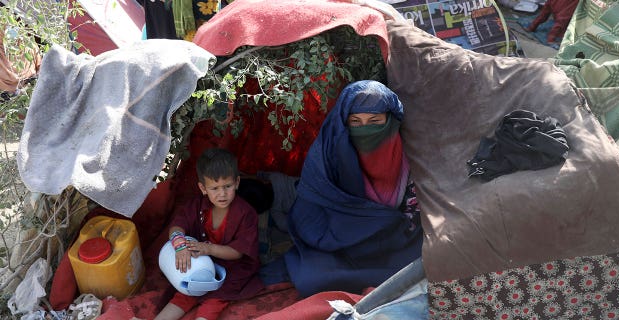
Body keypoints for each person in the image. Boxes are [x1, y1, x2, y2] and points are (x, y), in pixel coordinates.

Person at [284, 80, 423, 297]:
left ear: (391, 121)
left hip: (394, 242)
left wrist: (386, 231)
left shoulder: (411, 152)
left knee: (424, 264)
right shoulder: (329, 150)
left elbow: (414, 214)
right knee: (312, 279)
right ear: (344, 123)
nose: (365, 130)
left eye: (374, 121)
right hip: (339, 245)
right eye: (356, 122)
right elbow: (310, 211)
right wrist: (346, 235)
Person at [155, 148, 264, 320]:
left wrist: (209, 249)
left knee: (214, 299)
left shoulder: (246, 214)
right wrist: (180, 245)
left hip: (232, 269)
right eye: (214, 188)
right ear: (203, 188)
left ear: (236, 182)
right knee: (186, 292)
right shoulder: (197, 206)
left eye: (227, 186)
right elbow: (177, 226)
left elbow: (237, 252)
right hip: (202, 262)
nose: (222, 194)